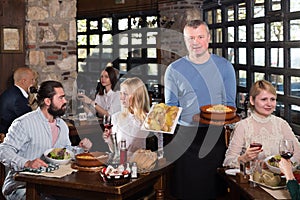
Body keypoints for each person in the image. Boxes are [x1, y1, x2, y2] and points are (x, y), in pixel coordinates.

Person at [164, 18, 236, 199]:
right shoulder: (173, 70)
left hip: (215, 138)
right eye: (191, 38)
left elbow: (230, 106)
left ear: (209, 38)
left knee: (214, 192)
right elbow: (170, 107)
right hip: (184, 139)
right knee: (184, 192)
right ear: (185, 41)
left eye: (200, 37)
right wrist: (155, 121)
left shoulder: (225, 67)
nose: (195, 42)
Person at [0, 80, 92, 200]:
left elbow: (65, 151)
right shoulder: (24, 123)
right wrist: (27, 163)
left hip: (51, 185)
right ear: (48, 101)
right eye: (61, 98)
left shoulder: (62, 125)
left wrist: (81, 149)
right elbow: (3, 150)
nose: (65, 101)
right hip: (22, 187)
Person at [223, 80, 300, 168]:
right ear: (252, 100)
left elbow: (298, 153)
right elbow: (227, 161)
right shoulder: (242, 126)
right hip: (251, 179)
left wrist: (286, 168)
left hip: (281, 178)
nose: (269, 104)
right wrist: (244, 158)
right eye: (264, 99)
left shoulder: (281, 124)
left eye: (272, 99)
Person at [102, 77, 150, 159]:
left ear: (136, 95)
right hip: (121, 165)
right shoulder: (116, 117)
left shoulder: (148, 119)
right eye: (121, 93)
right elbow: (115, 152)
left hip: (140, 166)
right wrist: (109, 140)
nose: (121, 98)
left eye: (125, 94)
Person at [0, 67, 36, 134]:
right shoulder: (18, 98)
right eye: (32, 80)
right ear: (23, 81)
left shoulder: (9, 92)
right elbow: (29, 121)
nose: (34, 82)